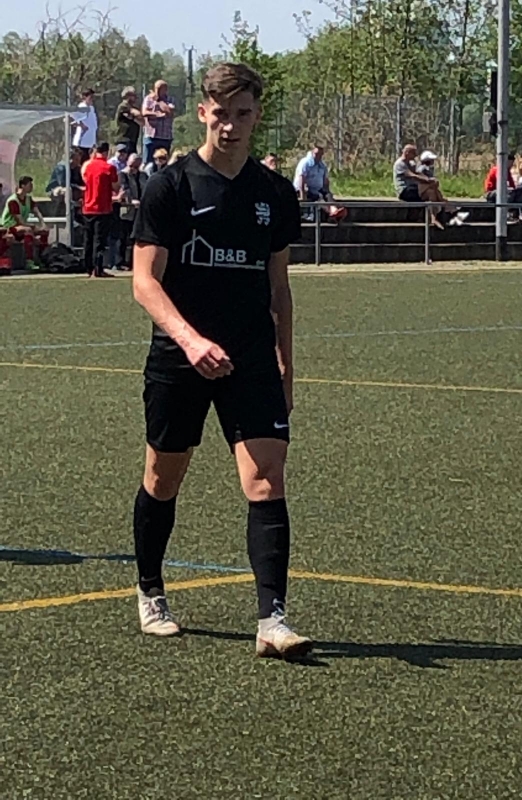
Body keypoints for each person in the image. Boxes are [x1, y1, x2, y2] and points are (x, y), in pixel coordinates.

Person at [131, 61, 312, 660]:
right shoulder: (170, 187)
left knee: (266, 479)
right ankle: (151, 590)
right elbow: (144, 283)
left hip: (252, 360)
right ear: (202, 113)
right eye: (221, 114)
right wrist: (190, 340)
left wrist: (287, 365)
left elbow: (280, 289)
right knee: (163, 478)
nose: (230, 125)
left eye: (243, 114)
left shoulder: (274, 194)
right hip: (180, 359)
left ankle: (272, 620)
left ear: (257, 116)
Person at [81, 141, 121, 278]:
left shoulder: (87, 166)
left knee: (88, 239)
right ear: (106, 152)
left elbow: (85, 180)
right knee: (99, 240)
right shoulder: (109, 167)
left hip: (87, 207)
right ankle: (98, 269)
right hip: (102, 208)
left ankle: (87, 267)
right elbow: (116, 187)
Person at [393, 144, 448, 229]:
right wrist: (428, 181)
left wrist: (429, 179)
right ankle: (440, 209)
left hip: (414, 188)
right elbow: (413, 176)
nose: (416, 155)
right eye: (413, 153)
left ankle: (433, 217)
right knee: (431, 190)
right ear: (407, 153)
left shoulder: (411, 163)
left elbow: (418, 173)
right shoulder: (400, 164)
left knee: (431, 192)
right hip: (405, 190)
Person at [0, 176, 48, 269]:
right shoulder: (13, 201)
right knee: (28, 230)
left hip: (20, 227)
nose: (32, 187)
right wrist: (33, 232)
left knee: (44, 232)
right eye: (30, 185)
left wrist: (43, 224)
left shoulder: (28, 199)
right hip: (9, 227)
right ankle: (29, 261)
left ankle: (43, 259)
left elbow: (37, 212)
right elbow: (20, 221)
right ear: (22, 186)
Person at [293, 146, 346, 222]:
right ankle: (331, 213)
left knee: (328, 195)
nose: (318, 156)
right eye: (316, 154)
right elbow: (301, 179)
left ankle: (334, 210)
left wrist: (327, 191)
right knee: (318, 197)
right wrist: (302, 195)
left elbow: (325, 181)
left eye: (320, 154)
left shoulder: (322, 165)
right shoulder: (305, 163)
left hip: (317, 189)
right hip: (305, 189)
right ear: (312, 153)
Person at [417, 151, 469, 227]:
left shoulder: (429, 169)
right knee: (435, 196)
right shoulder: (421, 169)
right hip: (425, 190)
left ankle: (454, 214)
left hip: (431, 189)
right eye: (431, 160)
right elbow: (422, 179)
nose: (432, 161)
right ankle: (453, 214)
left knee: (440, 197)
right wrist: (432, 181)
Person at [484, 152, 522, 222]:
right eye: (511, 163)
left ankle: (519, 214)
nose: (512, 165)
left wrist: (517, 189)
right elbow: (501, 183)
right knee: (508, 193)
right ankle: (505, 214)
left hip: (506, 191)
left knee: (520, 193)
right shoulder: (497, 169)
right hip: (492, 192)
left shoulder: (507, 171)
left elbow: (512, 185)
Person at [119, 153, 147, 270]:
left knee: (136, 237)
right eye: (131, 166)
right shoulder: (122, 174)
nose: (133, 169)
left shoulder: (143, 175)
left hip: (140, 210)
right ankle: (121, 262)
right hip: (127, 209)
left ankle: (134, 262)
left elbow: (146, 189)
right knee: (124, 236)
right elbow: (124, 189)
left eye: (136, 166)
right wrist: (131, 200)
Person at [142, 80, 176, 165]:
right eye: (156, 88)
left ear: (165, 90)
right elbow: (144, 112)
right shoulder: (148, 98)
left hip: (165, 137)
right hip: (151, 136)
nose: (157, 91)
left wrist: (159, 101)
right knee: (148, 163)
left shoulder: (170, 100)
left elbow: (170, 112)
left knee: (163, 163)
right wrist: (157, 115)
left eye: (160, 89)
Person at [71, 89, 98, 162]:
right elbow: (70, 117)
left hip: (90, 143)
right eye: (90, 97)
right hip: (82, 143)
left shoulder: (91, 108)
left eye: (93, 97)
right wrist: (81, 125)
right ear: (84, 97)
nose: (92, 99)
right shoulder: (82, 107)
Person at [115, 86, 143, 154]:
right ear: (128, 96)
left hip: (133, 140)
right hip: (124, 139)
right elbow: (137, 113)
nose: (135, 97)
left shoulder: (133, 107)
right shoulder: (123, 106)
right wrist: (136, 117)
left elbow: (142, 121)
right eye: (133, 95)